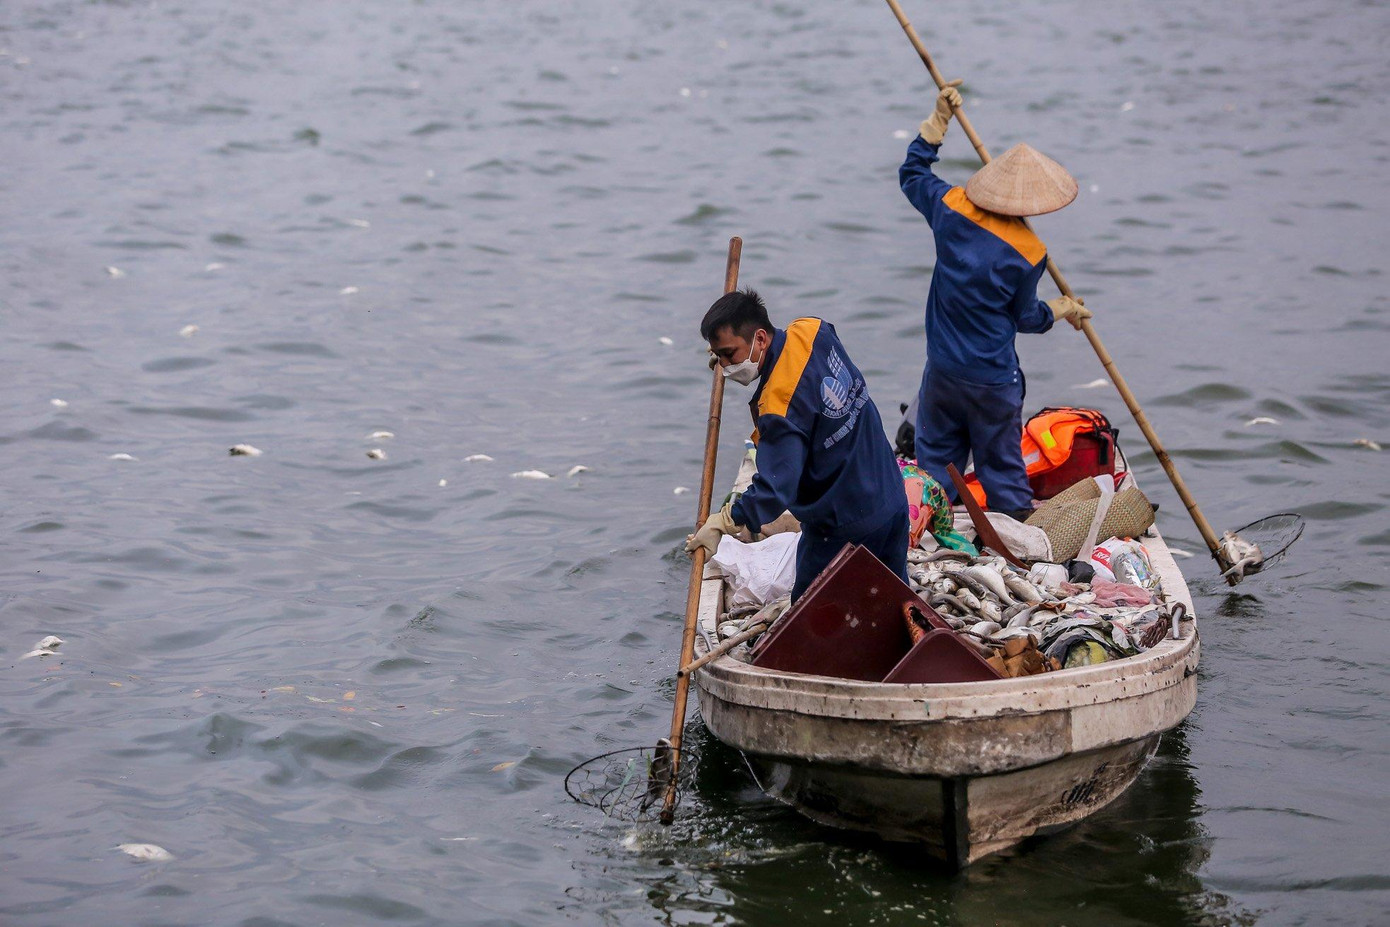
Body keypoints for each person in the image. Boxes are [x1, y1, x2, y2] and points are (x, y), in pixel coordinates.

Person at [899, 80, 1093, 521]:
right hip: (992, 382)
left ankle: (922, 535)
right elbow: (1027, 317)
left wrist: (937, 124)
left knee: (934, 469)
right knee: (1002, 470)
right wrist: (1059, 311)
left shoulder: (951, 209)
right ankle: (1019, 550)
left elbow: (912, 175)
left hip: (943, 373)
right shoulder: (1030, 254)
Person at [684, 289, 909, 601]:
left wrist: (725, 521)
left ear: (760, 339)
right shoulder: (812, 330)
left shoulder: (779, 405)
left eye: (729, 354)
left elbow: (777, 488)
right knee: (895, 601)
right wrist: (728, 353)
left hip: (844, 525)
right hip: (890, 496)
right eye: (718, 356)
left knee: (811, 622)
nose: (724, 366)